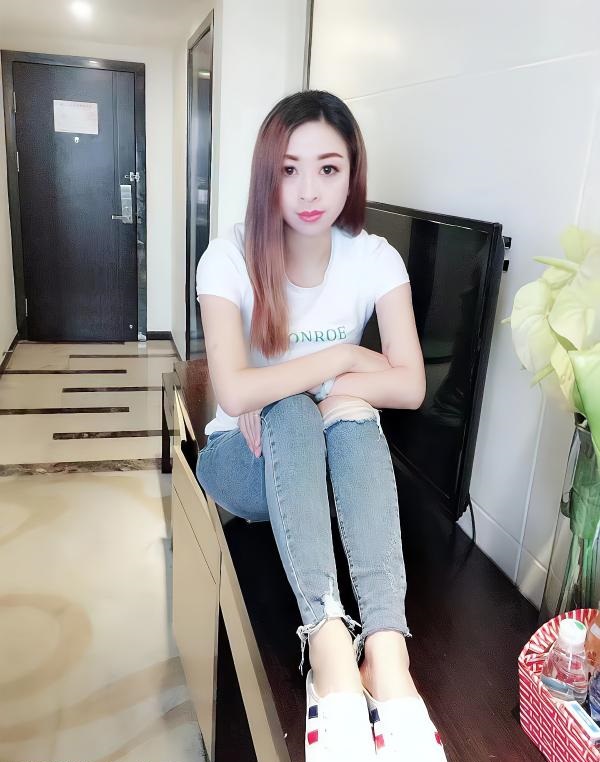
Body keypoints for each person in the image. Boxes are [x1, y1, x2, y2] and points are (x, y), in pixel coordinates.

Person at [195, 90, 447, 761]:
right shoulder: (228, 257)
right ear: (266, 174)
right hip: (242, 462)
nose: (309, 190)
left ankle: (387, 657)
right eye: (289, 169)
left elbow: (411, 385)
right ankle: (330, 650)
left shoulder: (375, 258)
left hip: (327, 464)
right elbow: (234, 391)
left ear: (351, 172)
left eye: (328, 169)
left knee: (348, 411)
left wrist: (299, 385)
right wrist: (338, 360)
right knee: (295, 406)